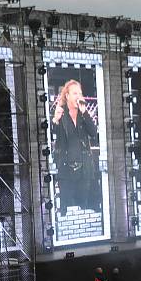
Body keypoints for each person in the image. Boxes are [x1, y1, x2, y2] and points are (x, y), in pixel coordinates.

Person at [51, 79, 99, 214]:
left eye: (80, 93)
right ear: (67, 96)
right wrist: (55, 120)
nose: (78, 96)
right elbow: (51, 135)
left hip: (84, 170)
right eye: (75, 93)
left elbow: (93, 133)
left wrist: (85, 113)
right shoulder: (60, 113)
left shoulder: (84, 115)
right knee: (66, 206)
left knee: (82, 207)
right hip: (66, 170)